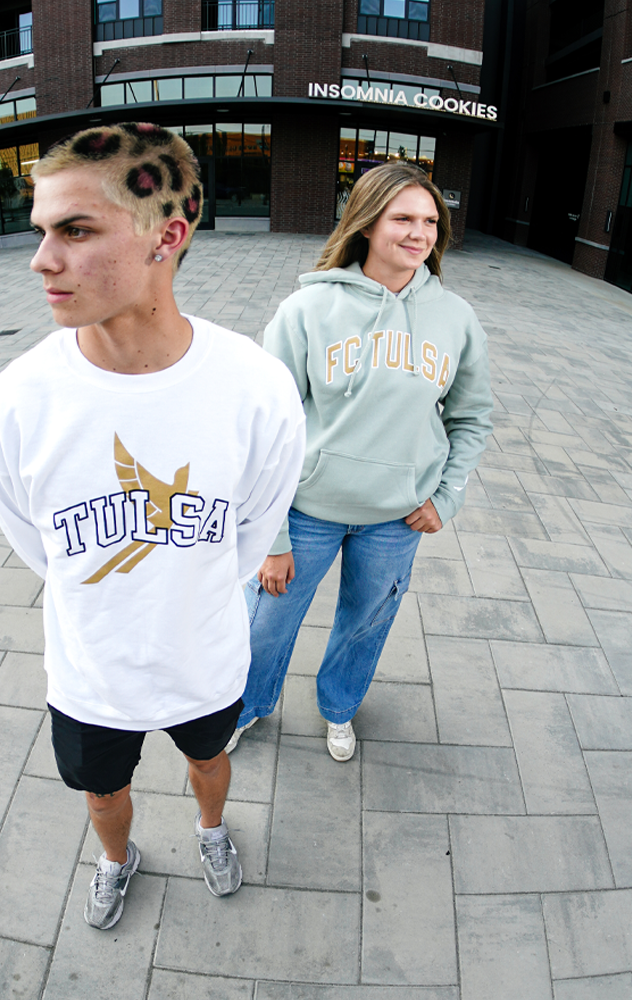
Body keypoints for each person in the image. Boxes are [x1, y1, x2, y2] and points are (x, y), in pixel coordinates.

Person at [0, 122, 305, 929]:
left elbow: (250, 532)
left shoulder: (255, 388)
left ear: (168, 235)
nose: (41, 259)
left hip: (204, 657)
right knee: (100, 792)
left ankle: (211, 830)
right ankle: (116, 860)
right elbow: (41, 548)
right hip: (91, 671)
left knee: (209, 760)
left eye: (75, 230)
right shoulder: (17, 402)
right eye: (41, 231)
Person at [226, 161, 492, 762]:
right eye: (403, 218)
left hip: (396, 518)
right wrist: (269, 535)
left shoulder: (455, 318)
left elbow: (472, 416)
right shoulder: (307, 310)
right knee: (265, 622)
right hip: (305, 512)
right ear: (367, 223)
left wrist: (446, 496)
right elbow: (262, 427)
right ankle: (244, 707)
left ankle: (339, 708)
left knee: (366, 623)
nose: (419, 233)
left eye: (430, 221)